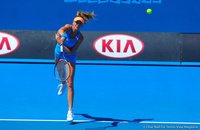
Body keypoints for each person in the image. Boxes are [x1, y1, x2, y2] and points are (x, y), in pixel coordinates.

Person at [54, 10, 95, 121]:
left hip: (70, 56)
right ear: (73, 22)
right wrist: (61, 38)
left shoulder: (80, 37)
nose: (77, 24)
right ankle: (62, 84)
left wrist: (60, 42)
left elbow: (71, 52)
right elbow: (61, 30)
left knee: (70, 83)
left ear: (82, 25)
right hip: (59, 52)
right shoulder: (67, 27)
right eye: (76, 22)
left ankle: (70, 111)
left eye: (80, 23)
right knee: (60, 72)